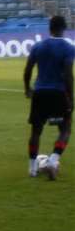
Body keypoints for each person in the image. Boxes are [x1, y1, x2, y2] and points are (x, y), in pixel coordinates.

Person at [23, 14, 74, 180]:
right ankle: (53, 160)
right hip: (58, 93)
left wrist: (27, 88)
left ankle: (32, 169)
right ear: (64, 29)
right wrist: (71, 97)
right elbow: (68, 75)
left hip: (39, 93)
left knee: (36, 131)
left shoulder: (38, 46)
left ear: (49, 28)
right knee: (65, 128)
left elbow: (28, 69)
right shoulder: (68, 48)